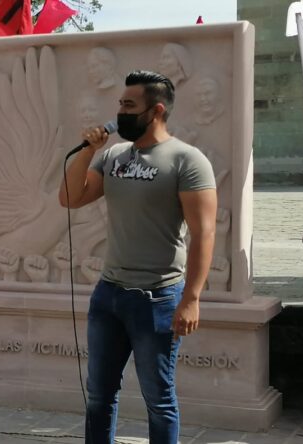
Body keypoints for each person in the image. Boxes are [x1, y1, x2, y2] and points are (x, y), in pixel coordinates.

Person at [58, 70, 217, 444]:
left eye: (129, 105)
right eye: (120, 104)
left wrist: (191, 299)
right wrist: (87, 151)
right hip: (108, 295)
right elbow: (69, 197)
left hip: (158, 299)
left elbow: (204, 232)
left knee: (158, 400)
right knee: (98, 395)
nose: (120, 112)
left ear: (156, 111)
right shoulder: (112, 155)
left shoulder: (187, 161)